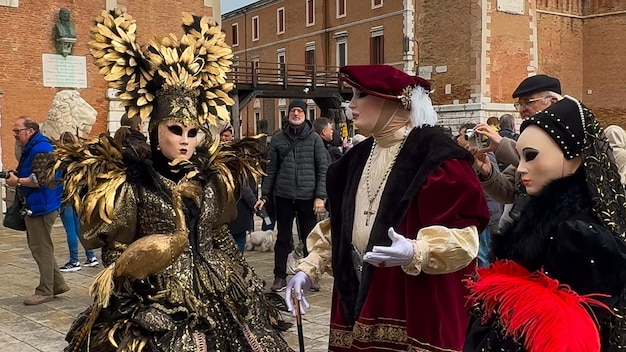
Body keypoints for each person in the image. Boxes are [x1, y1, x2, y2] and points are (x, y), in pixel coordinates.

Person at [48, 10, 292, 351]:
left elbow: (218, 233)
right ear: (155, 131)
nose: (185, 141)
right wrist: (141, 291)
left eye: (192, 133)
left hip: (219, 286)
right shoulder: (133, 185)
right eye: (175, 130)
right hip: (158, 292)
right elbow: (117, 249)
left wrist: (244, 278)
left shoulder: (212, 179)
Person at [285, 64, 489, 351]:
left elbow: (465, 239)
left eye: (361, 96)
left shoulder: (438, 160)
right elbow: (340, 228)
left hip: (412, 300)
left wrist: (417, 251)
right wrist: (309, 268)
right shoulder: (352, 161)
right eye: (352, 96)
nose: (351, 105)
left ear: (397, 102)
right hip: (355, 297)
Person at [464, 96, 626, 351]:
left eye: (531, 156)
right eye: (521, 157)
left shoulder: (578, 235)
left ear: (575, 158)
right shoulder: (544, 220)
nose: (520, 169)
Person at [254, 99, 329, 292]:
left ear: (305, 115)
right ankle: (280, 276)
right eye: (293, 111)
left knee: (310, 239)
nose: (296, 114)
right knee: (283, 238)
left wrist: (320, 196)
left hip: (308, 197)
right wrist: (265, 196)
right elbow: (271, 171)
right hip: (284, 196)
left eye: (299, 111)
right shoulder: (279, 140)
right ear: (288, 114)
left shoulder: (315, 140)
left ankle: (311, 275)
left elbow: (323, 169)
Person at [5, 117, 68, 305]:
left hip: (41, 205)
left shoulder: (41, 149)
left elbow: (39, 180)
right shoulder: (36, 147)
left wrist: (16, 181)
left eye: (17, 131)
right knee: (42, 247)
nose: (15, 135)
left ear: (30, 131)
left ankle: (45, 290)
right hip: (40, 204)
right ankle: (58, 285)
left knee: (41, 249)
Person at [57, 132, 98, 272]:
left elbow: (56, 180)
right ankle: (91, 256)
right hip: (80, 197)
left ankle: (74, 261)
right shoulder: (81, 158)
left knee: (70, 230)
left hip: (67, 198)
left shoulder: (62, 160)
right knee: (80, 228)